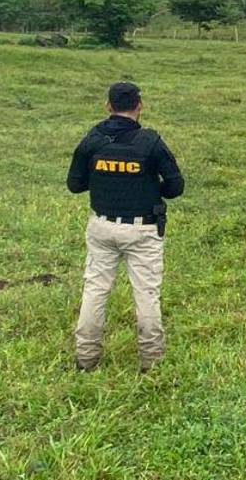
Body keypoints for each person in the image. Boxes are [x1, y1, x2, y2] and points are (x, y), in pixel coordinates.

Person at [66, 82, 184, 372]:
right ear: (139, 105)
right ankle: (151, 362)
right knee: (146, 294)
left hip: (102, 227)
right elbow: (175, 187)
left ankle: (86, 359)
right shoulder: (150, 142)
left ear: (108, 106)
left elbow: (75, 184)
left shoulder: (92, 139)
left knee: (95, 291)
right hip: (142, 230)